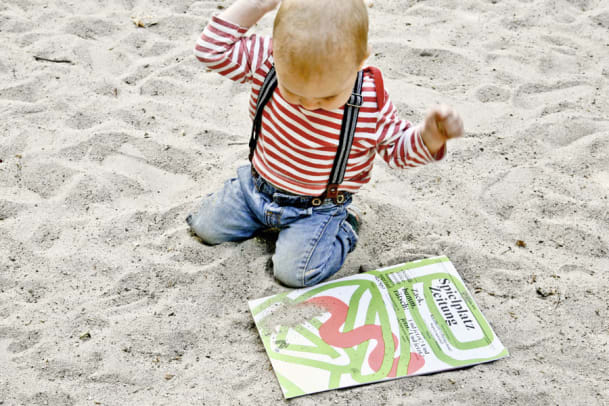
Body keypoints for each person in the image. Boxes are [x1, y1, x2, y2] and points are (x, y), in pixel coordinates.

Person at [187, 0, 464, 287]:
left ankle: (344, 230)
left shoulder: (368, 103)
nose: (309, 105)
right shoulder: (269, 60)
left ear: (361, 61)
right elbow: (210, 50)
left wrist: (430, 136)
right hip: (254, 189)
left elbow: (398, 151)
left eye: (328, 98)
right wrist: (258, 5)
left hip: (315, 209)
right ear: (275, 49)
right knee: (204, 228)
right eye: (292, 92)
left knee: (295, 274)